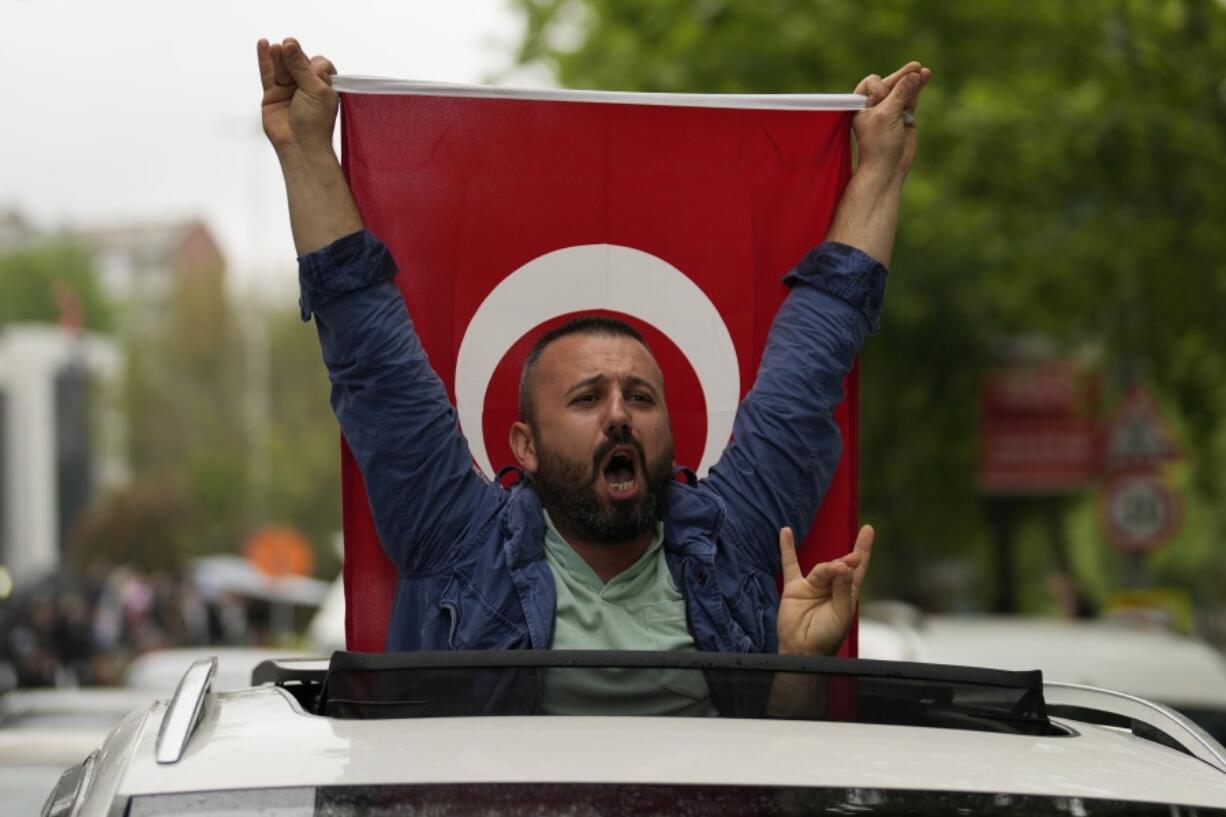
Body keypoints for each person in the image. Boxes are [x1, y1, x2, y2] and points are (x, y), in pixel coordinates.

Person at [257, 39, 929, 670]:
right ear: (524, 444)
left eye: (640, 396)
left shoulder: (738, 539)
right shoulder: (456, 538)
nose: (619, 415)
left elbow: (813, 358)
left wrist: (880, 169)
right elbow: (371, 357)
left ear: (669, 430)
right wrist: (307, 152)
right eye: (586, 397)